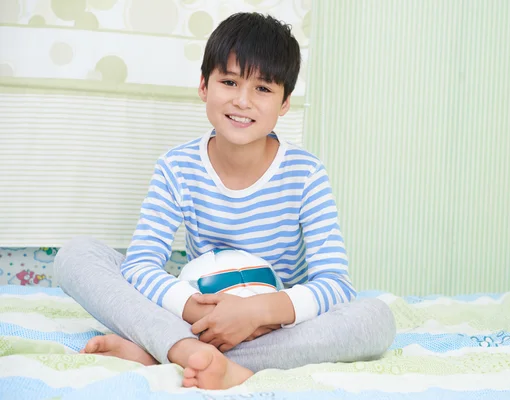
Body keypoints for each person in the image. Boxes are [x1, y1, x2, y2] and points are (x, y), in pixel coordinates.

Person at [54, 12, 396, 390]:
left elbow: (334, 284)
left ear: (284, 103)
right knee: (77, 254)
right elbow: (139, 266)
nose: (242, 101)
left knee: (376, 317)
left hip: (274, 327)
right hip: (197, 317)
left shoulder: (307, 174)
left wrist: (256, 312)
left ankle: (165, 352)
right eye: (229, 82)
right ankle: (187, 348)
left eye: (263, 89)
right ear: (203, 86)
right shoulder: (176, 167)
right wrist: (189, 307)